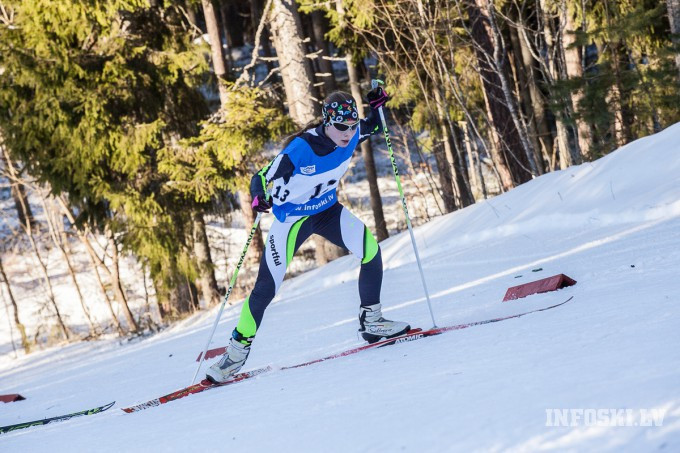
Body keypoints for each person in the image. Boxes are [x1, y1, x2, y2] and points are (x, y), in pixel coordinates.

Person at [206, 87, 410, 383]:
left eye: (352, 125)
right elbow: (261, 177)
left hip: (327, 211)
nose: (348, 132)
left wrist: (378, 105)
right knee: (265, 288)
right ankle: (235, 354)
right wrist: (258, 196)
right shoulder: (301, 148)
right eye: (341, 126)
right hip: (294, 219)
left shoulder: (351, 134)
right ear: (326, 122)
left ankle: (372, 321)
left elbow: (374, 126)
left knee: (370, 250)